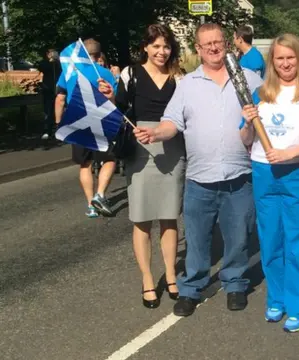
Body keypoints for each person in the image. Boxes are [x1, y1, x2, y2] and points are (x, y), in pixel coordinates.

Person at [133, 23, 263, 317]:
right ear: (198, 49)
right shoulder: (188, 84)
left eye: (218, 42)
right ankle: (192, 287)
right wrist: (155, 134)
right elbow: (171, 122)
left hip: (238, 175)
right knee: (197, 238)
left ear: (226, 44)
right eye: (207, 45)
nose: (214, 48)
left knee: (238, 237)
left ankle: (235, 284)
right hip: (200, 178)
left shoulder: (251, 80)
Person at [239, 33, 299, 333]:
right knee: (270, 240)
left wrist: (288, 153)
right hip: (264, 173)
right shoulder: (260, 95)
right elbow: (245, 139)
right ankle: (276, 298)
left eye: (290, 57)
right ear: (272, 61)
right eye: (279, 58)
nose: (285, 63)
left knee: (298, 242)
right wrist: (247, 120)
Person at [111, 24, 185, 309]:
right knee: (141, 219)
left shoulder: (179, 76)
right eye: (155, 46)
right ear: (145, 47)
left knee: (169, 217)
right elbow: (118, 109)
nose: (161, 52)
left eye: (166, 46)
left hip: (171, 148)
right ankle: (146, 279)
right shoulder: (130, 74)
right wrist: (108, 94)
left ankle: (170, 275)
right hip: (139, 148)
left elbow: (185, 114)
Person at [55, 38, 119, 218]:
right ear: (99, 55)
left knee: (85, 164)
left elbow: (60, 98)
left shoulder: (68, 72)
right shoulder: (105, 73)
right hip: (101, 121)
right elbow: (114, 100)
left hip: (77, 121)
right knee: (110, 158)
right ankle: (100, 194)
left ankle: (91, 205)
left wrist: (58, 122)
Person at [38, 49, 62, 140]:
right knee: (48, 111)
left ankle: (58, 129)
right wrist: (49, 61)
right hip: (48, 91)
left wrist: (55, 61)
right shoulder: (46, 64)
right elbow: (41, 67)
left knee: (59, 110)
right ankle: (47, 130)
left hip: (58, 90)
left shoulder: (58, 64)